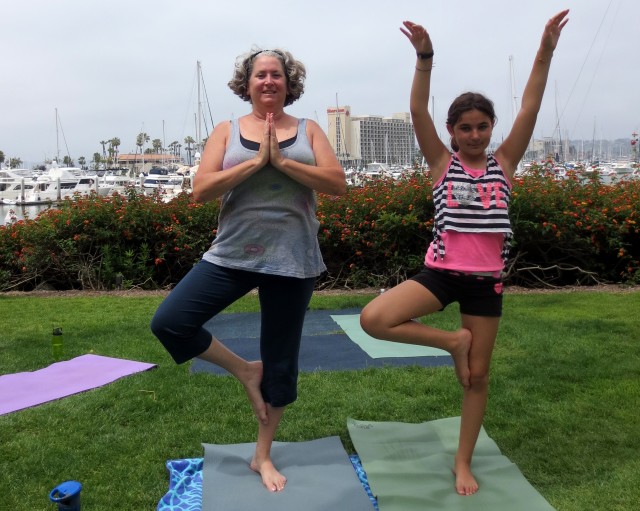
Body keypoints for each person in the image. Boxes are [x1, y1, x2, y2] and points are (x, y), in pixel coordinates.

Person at [359, 11, 569, 496]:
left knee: (477, 379)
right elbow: (417, 112)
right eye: (465, 128)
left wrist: (545, 51)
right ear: (452, 131)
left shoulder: (505, 164)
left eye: (482, 126)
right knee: (374, 318)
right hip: (440, 274)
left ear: (491, 127)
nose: (475, 135)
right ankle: (451, 343)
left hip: (485, 283)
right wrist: (425, 58)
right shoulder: (440, 163)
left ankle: (463, 461)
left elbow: (531, 109)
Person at [151, 48, 346, 492]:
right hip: (232, 253)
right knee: (171, 322)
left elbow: (337, 184)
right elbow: (200, 191)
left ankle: (262, 455)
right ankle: (243, 369)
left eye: (277, 74)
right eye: (261, 75)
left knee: (281, 360)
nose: (269, 81)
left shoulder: (309, 130)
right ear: (248, 83)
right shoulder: (227, 131)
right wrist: (257, 163)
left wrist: (283, 162)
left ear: (288, 82)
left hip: (292, 257)